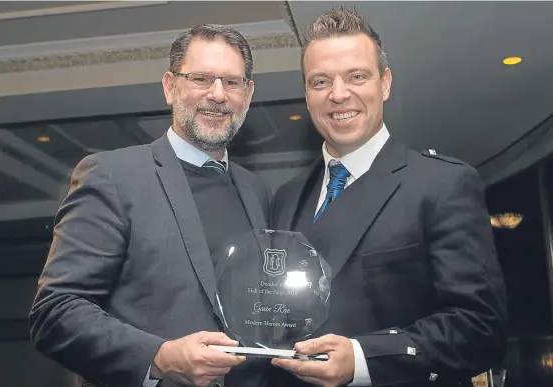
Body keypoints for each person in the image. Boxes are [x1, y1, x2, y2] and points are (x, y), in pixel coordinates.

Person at [270, 7, 507, 387]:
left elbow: (480, 329)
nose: (338, 94)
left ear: (385, 83)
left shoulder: (443, 184)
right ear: (306, 94)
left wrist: (362, 359)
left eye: (356, 76)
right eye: (320, 82)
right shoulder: (285, 198)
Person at [29, 24, 272, 387]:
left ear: (248, 93)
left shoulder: (257, 191)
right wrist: (159, 357)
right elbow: (55, 312)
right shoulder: (113, 175)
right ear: (170, 86)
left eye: (232, 82)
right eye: (201, 78)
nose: (218, 94)